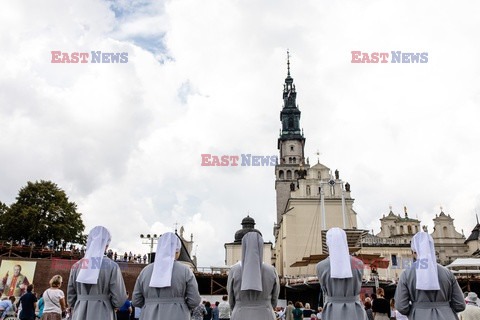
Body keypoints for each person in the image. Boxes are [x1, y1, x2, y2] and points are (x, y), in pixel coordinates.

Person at [394, 232, 466, 319]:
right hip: (447, 315)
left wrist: (416, 309)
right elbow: (460, 305)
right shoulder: (447, 272)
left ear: (413, 252)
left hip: (419, 315)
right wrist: (444, 307)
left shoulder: (406, 274)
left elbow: (401, 306)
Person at [132, 232, 201, 320]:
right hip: (178, 314)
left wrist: (150, 304)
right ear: (177, 251)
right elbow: (194, 300)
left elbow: (136, 301)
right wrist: (181, 305)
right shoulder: (185, 270)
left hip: (148, 315)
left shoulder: (145, 271)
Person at [67, 226, 127, 320]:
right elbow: (119, 298)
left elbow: (70, 297)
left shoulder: (75, 266)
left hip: (79, 312)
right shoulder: (112, 266)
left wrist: (81, 302)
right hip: (103, 311)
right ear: (106, 245)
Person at [316, 228, 367, 320]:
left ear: (328, 243)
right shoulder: (358, 263)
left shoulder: (321, 266)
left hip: (332, 311)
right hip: (355, 310)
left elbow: (324, 288)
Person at [227, 232, 279, 320]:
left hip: (240, 313)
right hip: (266, 313)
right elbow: (275, 297)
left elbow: (231, 298)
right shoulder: (272, 270)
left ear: (244, 246)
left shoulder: (234, 270)